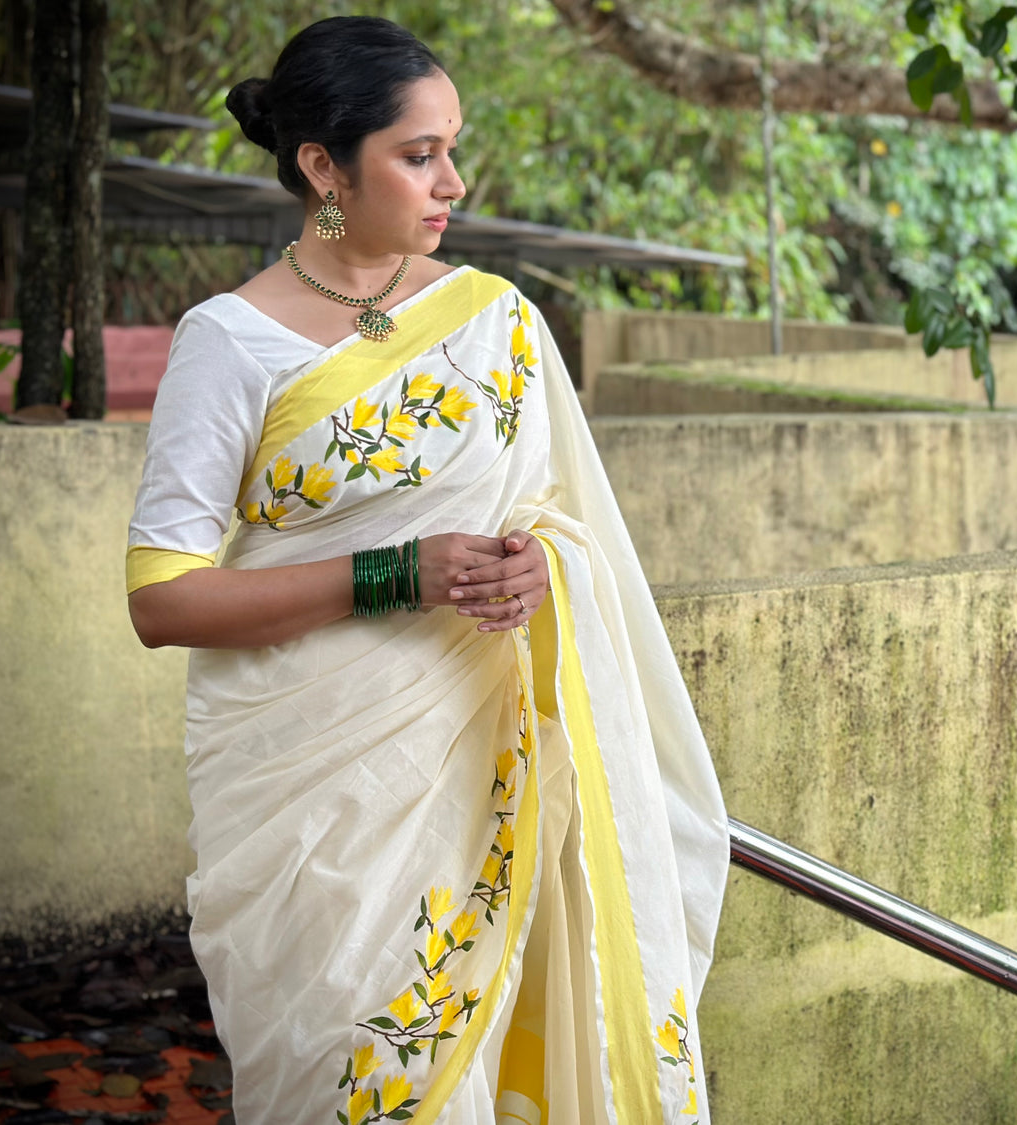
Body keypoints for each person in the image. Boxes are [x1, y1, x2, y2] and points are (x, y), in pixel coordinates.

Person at [124, 16, 727, 1124]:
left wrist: (539, 570)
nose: (452, 180)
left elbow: (546, 513)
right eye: (418, 154)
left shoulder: (495, 322)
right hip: (315, 801)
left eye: (452, 148)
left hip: (482, 763)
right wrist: (392, 575)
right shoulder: (229, 341)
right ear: (322, 166)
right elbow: (163, 600)